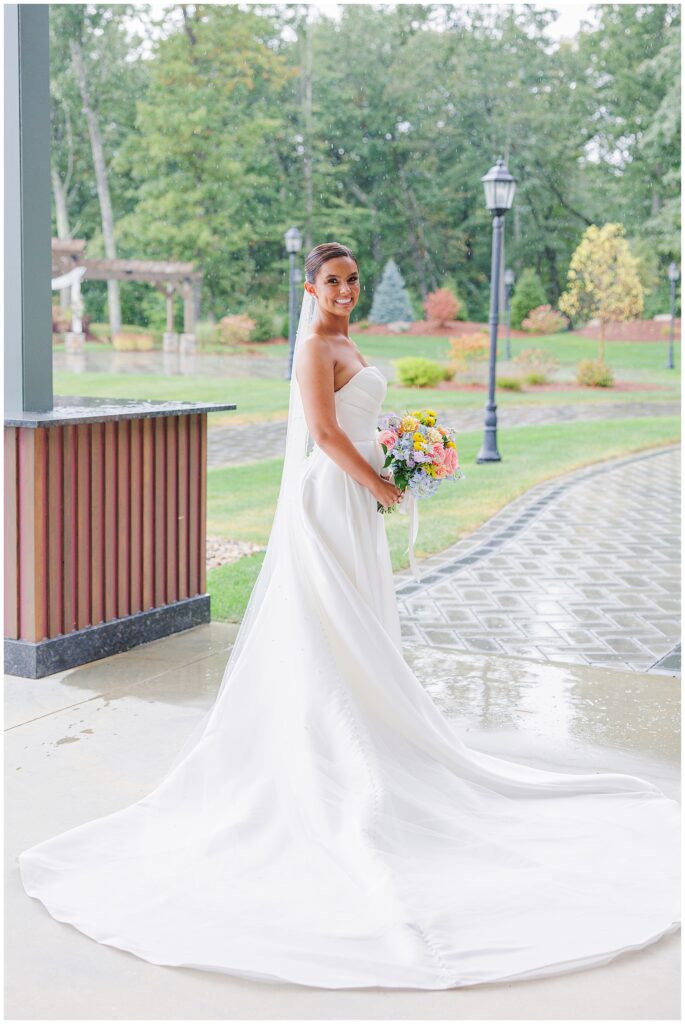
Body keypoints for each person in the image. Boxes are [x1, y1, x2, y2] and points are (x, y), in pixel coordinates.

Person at [18, 242, 680, 991]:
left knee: (359, 623)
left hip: (357, 496)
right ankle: (329, 748)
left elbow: (359, 417)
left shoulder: (346, 339)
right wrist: (379, 482)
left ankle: (370, 724)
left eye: (352, 280)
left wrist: (403, 451)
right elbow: (326, 434)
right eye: (331, 281)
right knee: (327, 627)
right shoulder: (310, 346)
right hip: (333, 498)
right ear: (310, 287)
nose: (344, 291)